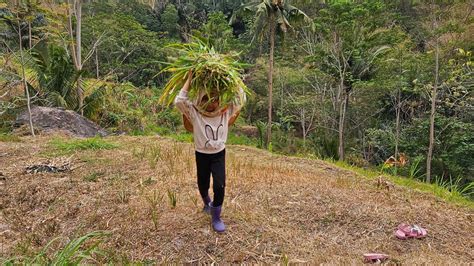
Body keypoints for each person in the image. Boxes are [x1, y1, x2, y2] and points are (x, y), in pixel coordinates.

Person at [174, 70, 244, 233]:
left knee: (220, 185)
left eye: (215, 99)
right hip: (202, 154)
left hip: (219, 154)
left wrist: (233, 79)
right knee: (202, 182)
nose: (211, 103)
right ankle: (206, 202)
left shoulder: (225, 112)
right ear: (200, 99)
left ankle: (216, 216)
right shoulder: (195, 113)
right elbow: (179, 101)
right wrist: (190, 79)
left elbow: (241, 98)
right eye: (206, 98)